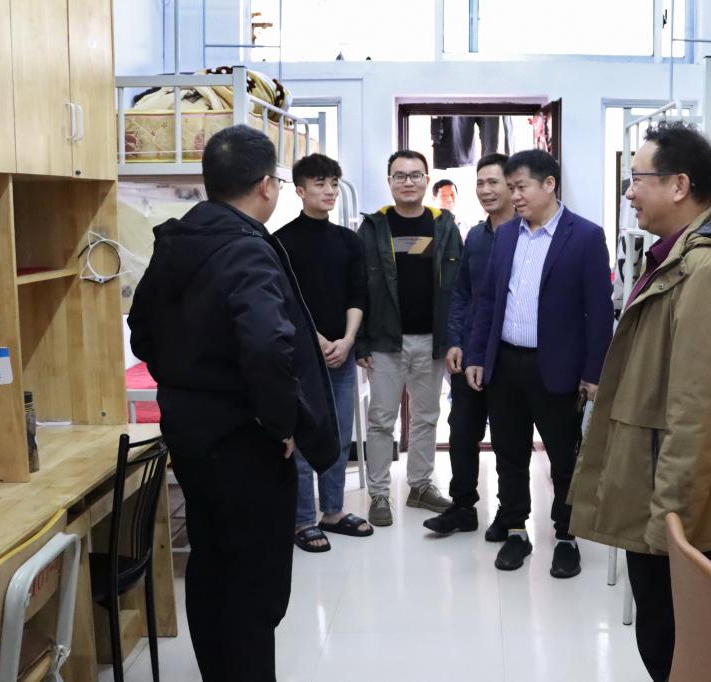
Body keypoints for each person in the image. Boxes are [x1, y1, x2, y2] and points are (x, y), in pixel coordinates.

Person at [127, 125, 339, 682]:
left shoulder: (177, 240)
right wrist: (281, 421)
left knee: (211, 560)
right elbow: (268, 345)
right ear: (266, 185)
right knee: (252, 578)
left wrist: (186, 379)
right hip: (244, 440)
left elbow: (141, 331)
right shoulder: (245, 248)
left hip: (190, 433)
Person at [568, 121, 711, 681]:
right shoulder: (675, 257)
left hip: (669, 503)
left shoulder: (706, 273)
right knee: (664, 642)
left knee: (671, 648)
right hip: (654, 485)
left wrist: (669, 526)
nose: (629, 192)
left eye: (637, 179)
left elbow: (698, 413)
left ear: (679, 185)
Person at [465, 149, 613, 578]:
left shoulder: (585, 236)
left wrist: (593, 374)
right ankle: (515, 530)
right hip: (505, 364)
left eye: (521, 187)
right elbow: (488, 300)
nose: (514, 196)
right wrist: (477, 355)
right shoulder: (506, 235)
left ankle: (566, 536)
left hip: (558, 368)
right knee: (509, 453)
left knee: (564, 459)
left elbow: (599, 312)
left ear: (549, 184)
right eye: (511, 188)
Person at [356, 150, 463, 527]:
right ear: (389, 181)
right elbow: (358, 288)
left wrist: (453, 338)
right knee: (381, 421)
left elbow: (458, 287)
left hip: (431, 341)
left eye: (415, 175)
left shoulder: (444, 226)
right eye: (400, 175)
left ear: (426, 180)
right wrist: (361, 341)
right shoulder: (373, 227)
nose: (408, 182)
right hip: (386, 341)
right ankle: (379, 493)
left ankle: (420, 486)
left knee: (426, 417)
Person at [273, 153, 373, 552]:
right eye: (320, 184)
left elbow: (358, 294)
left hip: (340, 354)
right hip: (301, 356)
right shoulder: (281, 242)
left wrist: (346, 341)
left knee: (339, 433)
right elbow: (287, 302)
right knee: (303, 437)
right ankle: (302, 519)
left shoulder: (349, 241)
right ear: (300, 191)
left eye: (333, 183)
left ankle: (332, 511)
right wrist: (316, 340)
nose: (330, 191)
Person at [423, 153, 514, 536]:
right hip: (472, 350)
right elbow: (461, 293)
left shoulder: (527, 235)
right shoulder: (476, 236)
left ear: (513, 186)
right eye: (480, 183)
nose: (486, 190)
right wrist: (454, 341)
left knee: (509, 439)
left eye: (494, 182)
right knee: (461, 431)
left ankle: (510, 514)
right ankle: (463, 507)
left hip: (510, 355)